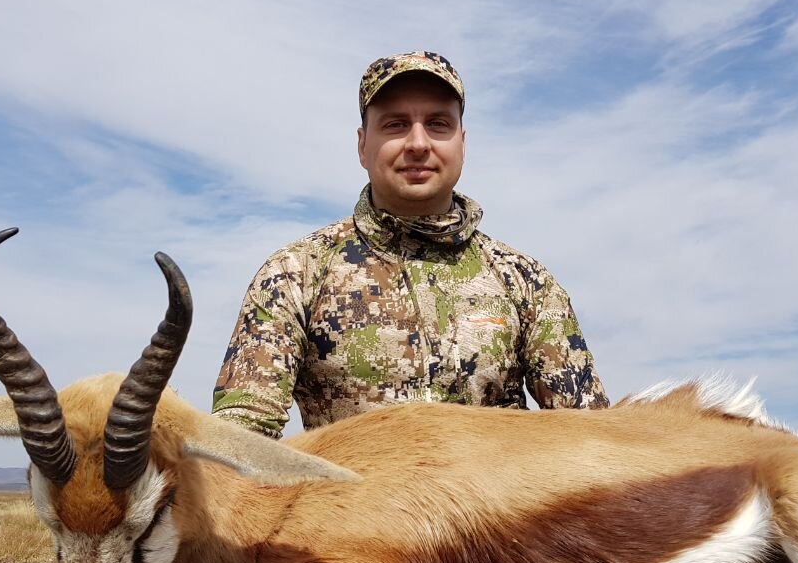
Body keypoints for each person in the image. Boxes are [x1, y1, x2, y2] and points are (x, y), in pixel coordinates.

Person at [212, 51, 608, 438]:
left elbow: (591, 439)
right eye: (396, 125)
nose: (418, 143)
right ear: (362, 146)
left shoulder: (525, 280)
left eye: (437, 124)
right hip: (353, 502)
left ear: (462, 144)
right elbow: (236, 439)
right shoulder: (296, 273)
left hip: (498, 505)